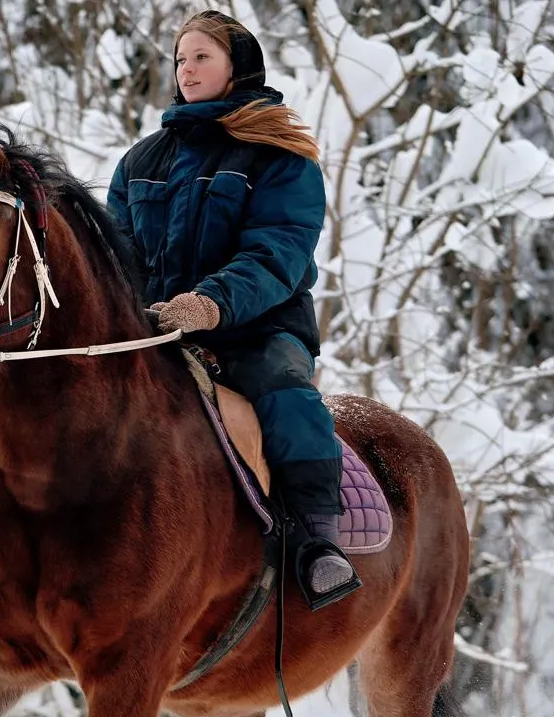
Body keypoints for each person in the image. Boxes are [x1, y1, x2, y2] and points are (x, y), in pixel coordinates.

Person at [107, 10, 358, 609]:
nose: (187, 70)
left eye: (202, 57)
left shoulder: (279, 151)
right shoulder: (140, 162)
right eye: (180, 60)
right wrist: (134, 311)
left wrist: (211, 304)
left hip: (258, 328)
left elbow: (280, 251)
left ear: (237, 67)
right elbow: (117, 255)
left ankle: (317, 540)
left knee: (285, 389)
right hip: (159, 331)